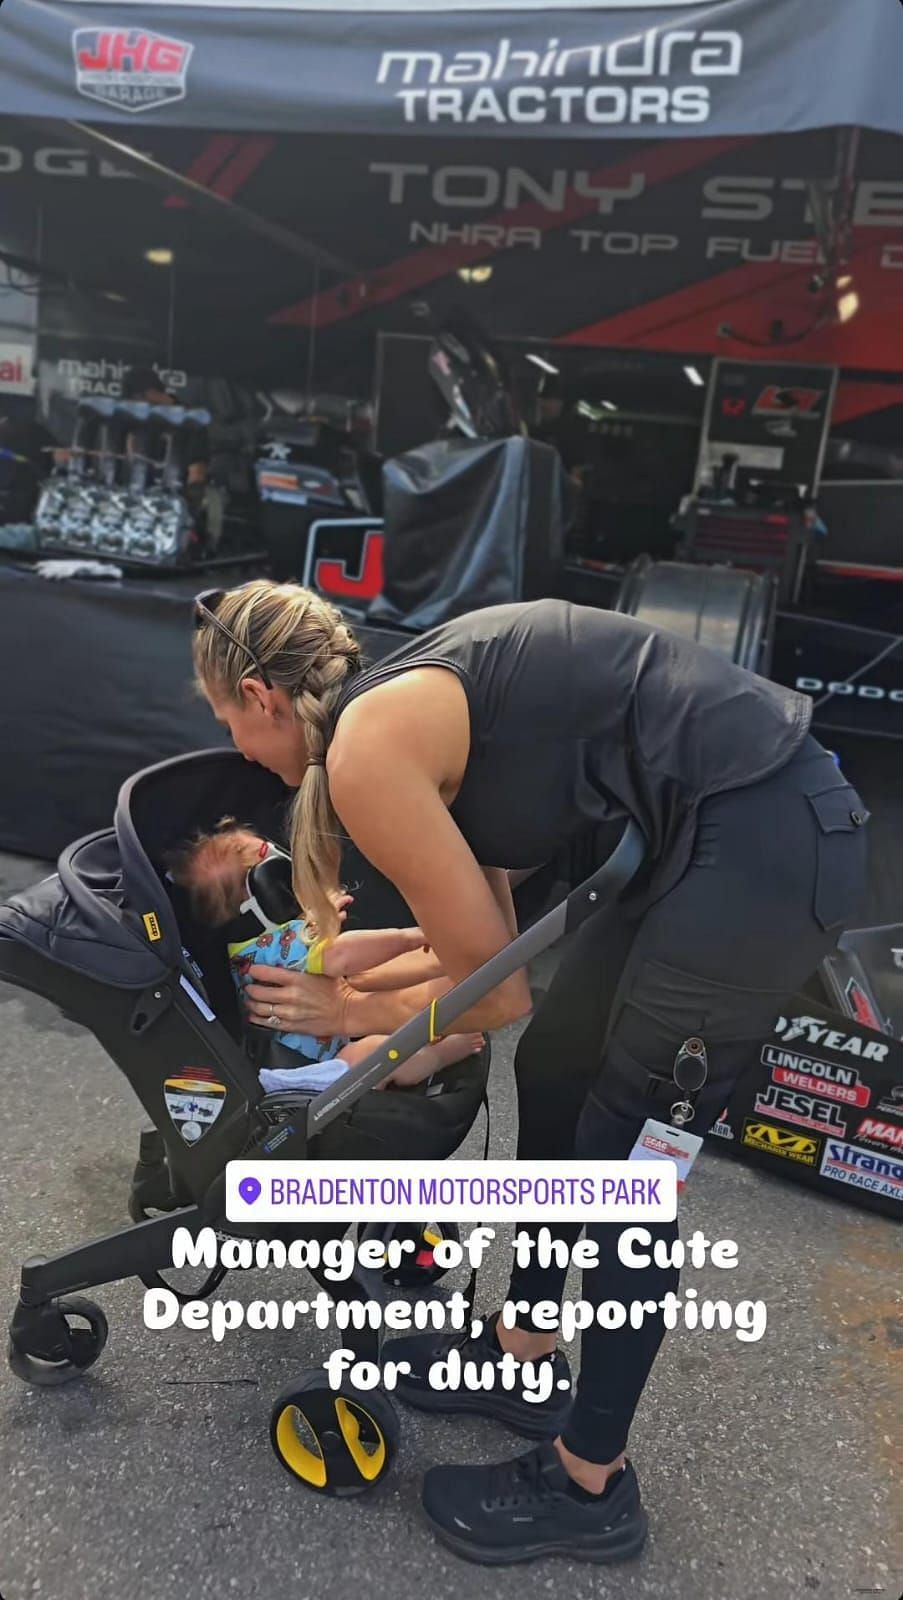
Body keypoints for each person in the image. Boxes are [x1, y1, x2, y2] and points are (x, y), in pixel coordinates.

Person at [190, 580, 868, 1567]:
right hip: (706, 838)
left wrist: (349, 1015)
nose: (243, 754)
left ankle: (591, 1481)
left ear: (259, 693)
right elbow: (493, 957)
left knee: (622, 1163)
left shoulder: (368, 750)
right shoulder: (398, 707)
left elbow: (491, 997)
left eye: (227, 723)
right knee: (555, 1071)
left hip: (762, 841)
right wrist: (371, 1006)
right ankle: (524, 1351)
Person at [167, 817, 484, 1092]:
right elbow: (342, 956)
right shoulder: (279, 945)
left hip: (308, 1049)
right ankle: (442, 1054)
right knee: (381, 1052)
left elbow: (309, 942)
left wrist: (320, 913)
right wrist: (407, 938)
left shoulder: (249, 949)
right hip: (309, 1073)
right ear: (268, 890)